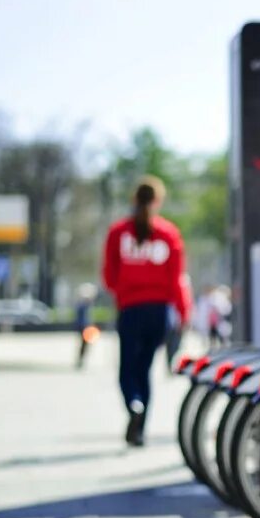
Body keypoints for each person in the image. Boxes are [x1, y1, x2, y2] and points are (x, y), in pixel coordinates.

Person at [102, 176, 191, 446]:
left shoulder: (119, 232)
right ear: (158, 201)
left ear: (134, 199)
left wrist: (125, 290)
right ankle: (141, 430)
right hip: (159, 311)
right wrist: (183, 310)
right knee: (145, 369)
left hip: (131, 308)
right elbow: (177, 277)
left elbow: (109, 274)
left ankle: (134, 404)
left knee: (127, 368)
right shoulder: (168, 233)